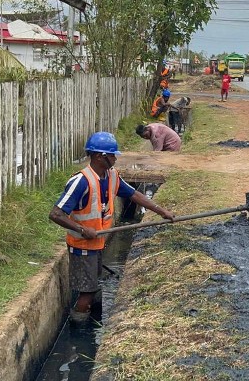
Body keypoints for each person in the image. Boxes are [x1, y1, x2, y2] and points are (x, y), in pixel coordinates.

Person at [49, 132, 175, 324]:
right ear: (100, 156)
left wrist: (161, 211)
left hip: (97, 243)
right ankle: (79, 330)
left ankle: (92, 318)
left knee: (92, 285)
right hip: (82, 246)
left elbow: (134, 195)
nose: (116, 158)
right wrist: (83, 230)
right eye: (113, 155)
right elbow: (56, 214)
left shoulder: (112, 176)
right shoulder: (81, 181)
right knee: (87, 291)